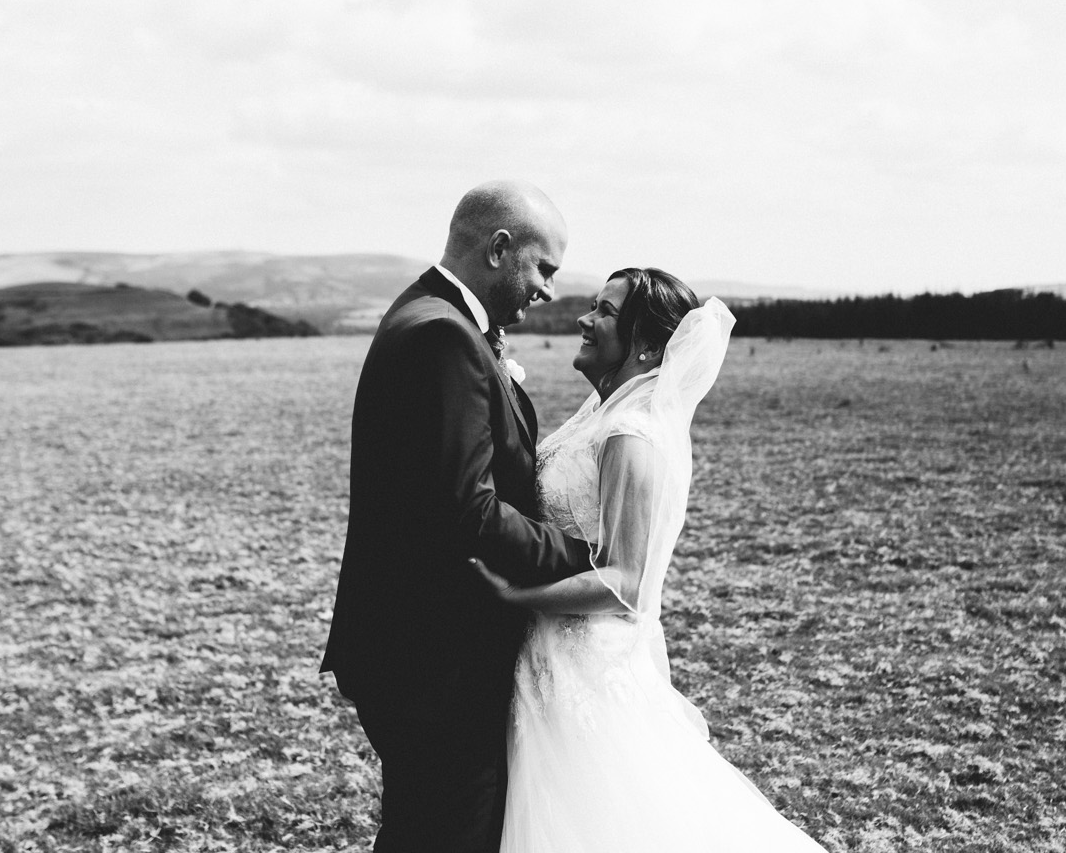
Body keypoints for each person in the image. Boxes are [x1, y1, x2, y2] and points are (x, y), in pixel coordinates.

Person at [470, 268, 827, 852]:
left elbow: (625, 583)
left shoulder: (630, 433)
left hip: (584, 668)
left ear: (647, 346)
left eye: (604, 312)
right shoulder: (603, 413)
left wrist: (516, 597)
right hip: (549, 658)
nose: (585, 319)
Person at [320, 181, 595, 853]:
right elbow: (466, 511)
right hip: (431, 661)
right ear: (500, 248)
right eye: (544, 268)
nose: (550, 291)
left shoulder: (434, 318)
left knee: (429, 831)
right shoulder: (444, 337)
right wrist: (583, 555)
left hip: (420, 651)